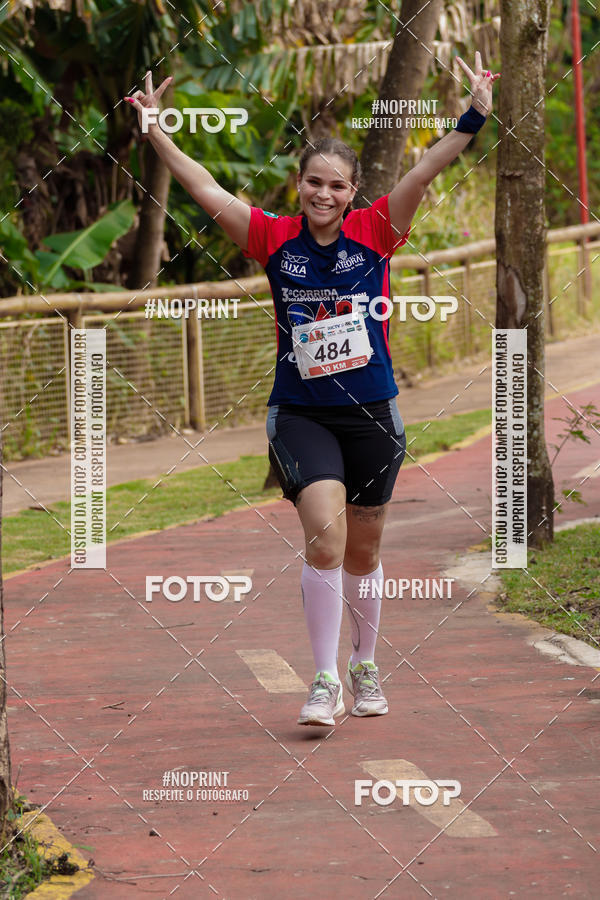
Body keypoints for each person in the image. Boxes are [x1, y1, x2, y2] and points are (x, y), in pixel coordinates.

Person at [126, 52, 499, 727]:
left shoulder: (377, 231)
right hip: (301, 412)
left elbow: (427, 165)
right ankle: (324, 679)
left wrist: (472, 113)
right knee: (325, 539)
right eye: (313, 184)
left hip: (373, 415)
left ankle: (365, 665)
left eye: (336, 186)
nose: (324, 195)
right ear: (297, 186)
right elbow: (207, 188)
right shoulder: (274, 239)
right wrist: (156, 131)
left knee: (364, 552)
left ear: (352, 192)